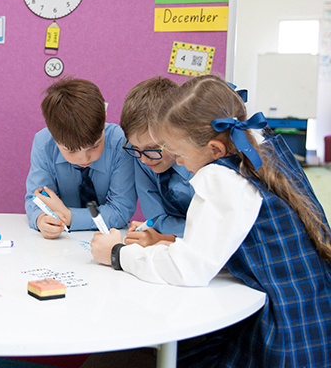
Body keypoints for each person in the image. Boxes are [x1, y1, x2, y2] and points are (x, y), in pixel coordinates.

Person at [91, 75, 331, 367]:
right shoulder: (263, 148)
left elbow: (186, 269)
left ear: (215, 149)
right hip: (314, 310)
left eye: (178, 154)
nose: (177, 162)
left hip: (282, 333)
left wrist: (118, 254)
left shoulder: (221, 179)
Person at [25, 77, 136, 238]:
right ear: (52, 133)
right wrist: (41, 219)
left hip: (108, 237)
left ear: (104, 117)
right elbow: (37, 199)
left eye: (95, 146)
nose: (84, 158)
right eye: (71, 151)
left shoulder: (121, 143)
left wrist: (69, 216)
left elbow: (120, 210)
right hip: (62, 241)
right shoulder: (43, 143)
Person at [119, 77, 193, 246]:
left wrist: (163, 236)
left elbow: (209, 231)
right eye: (136, 148)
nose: (144, 159)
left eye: (152, 148)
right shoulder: (142, 157)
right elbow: (156, 218)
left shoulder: (199, 165)